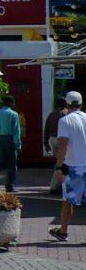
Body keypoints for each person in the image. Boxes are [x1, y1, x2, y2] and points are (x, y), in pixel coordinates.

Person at [50, 90, 86, 241]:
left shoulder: (65, 120)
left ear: (66, 103)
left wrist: (59, 167)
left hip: (73, 167)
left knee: (68, 200)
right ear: (81, 103)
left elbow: (62, 143)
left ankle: (63, 232)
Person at [0, 94, 21, 193]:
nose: (14, 104)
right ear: (10, 103)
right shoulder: (14, 114)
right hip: (10, 139)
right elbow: (16, 130)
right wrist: (18, 143)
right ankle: (10, 186)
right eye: (13, 102)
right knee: (12, 164)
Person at [45, 97, 70, 192]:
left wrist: (46, 143)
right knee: (64, 163)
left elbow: (46, 128)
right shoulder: (66, 114)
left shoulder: (51, 114)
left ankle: (56, 185)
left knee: (58, 162)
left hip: (52, 139)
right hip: (61, 140)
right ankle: (57, 186)